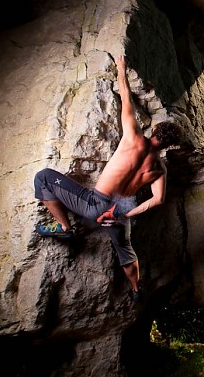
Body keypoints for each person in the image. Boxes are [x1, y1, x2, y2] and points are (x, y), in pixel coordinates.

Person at [33, 54, 183, 302]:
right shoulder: (160, 169)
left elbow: (125, 96)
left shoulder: (133, 138)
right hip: (119, 212)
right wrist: (125, 214)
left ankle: (64, 228)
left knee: (43, 177)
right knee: (126, 250)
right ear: (168, 145)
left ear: (155, 131)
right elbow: (157, 200)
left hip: (95, 204)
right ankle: (135, 289)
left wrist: (121, 68)